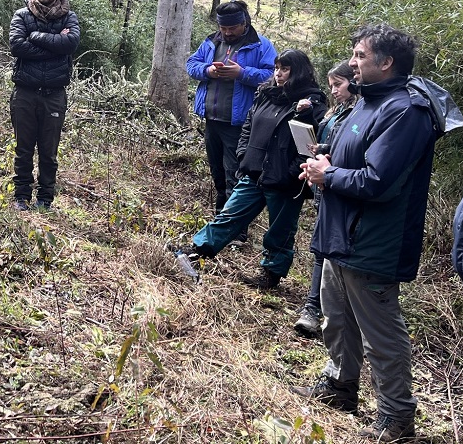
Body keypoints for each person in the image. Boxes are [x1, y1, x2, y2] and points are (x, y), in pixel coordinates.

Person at [293, 25, 437, 443]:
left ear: (386, 62)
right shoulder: (366, 102)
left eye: (359, 55)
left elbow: (378, 181)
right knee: (336, 318)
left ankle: (396, 419)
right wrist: (326, 160)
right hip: (340, 232)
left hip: (374, 240)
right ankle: (340, 388)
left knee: (381, 333)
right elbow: (354, 157)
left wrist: (330, 173)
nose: (352, 62)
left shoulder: (406, 111)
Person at [181, 50, 327, 289]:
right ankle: (197, 251)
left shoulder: (311, 101)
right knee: (231, 213)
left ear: (298, 71)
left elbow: (312, 141)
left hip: (286, 178)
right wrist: (243, 154)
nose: (279, 74)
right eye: (277, 68)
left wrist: (291, 171)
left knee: (280, 229)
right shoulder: (266, 92)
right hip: (255, 170)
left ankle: (271, 274)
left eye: (285, 69)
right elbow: (249, 123)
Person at [186, 0, 276, 223]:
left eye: (232, 28)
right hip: (212, 119)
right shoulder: (211, 42)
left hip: (239, 124)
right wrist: (208, 70)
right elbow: (191, 64)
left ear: (244, 23)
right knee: (217, 171)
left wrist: (242, 73)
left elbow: (273, 76)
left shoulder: (261, 45)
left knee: (235, 174)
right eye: (223, 27)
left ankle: (235, 227)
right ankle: (221, 220)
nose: (227, 32)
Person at [294, 61, 357, 337]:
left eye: (338, 85)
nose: (333, 91)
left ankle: (315, 309)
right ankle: (316, 308)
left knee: (328, 251)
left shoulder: (359, 112)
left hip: (340, 186)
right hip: (325, 185)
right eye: (330, 85)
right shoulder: (337, 111)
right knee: (321, 248)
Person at [8, 0, 80, 211]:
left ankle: (45, 199)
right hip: (25, 92)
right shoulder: (21, 15)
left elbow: (70, 43)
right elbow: (17, 46)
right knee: (23, 148)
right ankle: (21, 197)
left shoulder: (69, 18)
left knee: (48, 151)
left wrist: (35, 37)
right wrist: (52, 44)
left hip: (54, 94)